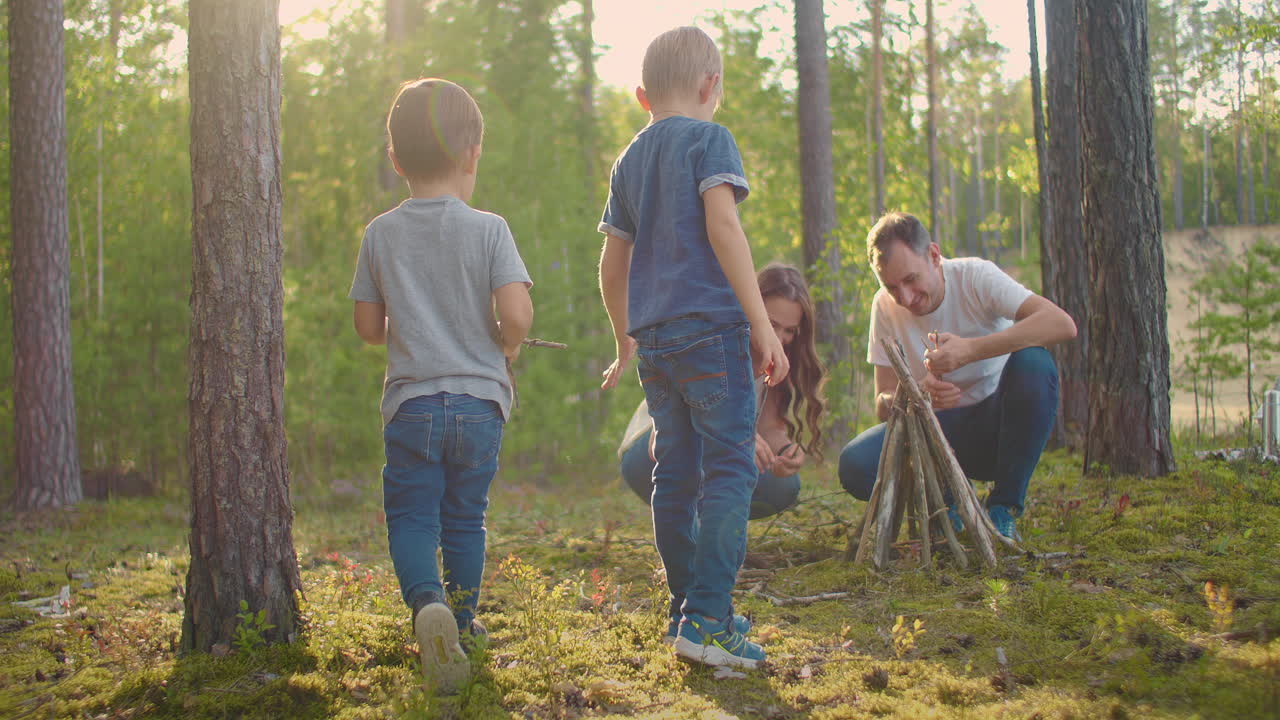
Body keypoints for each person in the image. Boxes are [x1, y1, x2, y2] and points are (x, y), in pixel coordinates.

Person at [596, 26, 789, 669]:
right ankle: (707, 620)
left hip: (656, 342)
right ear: (712, 87)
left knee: (671, 477)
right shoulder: (711, 140)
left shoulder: (629, 160)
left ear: (642, 96)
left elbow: (612, 260)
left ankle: (691, 611)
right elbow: (723, 225)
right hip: (713, 329)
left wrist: (624, 336)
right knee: (731, 471)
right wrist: (761, 322)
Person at [349, 78, 533, 693]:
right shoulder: (490, 229)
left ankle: (426, 604)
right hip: (481, 404)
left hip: (412, 405)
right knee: (465, 517)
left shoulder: (380, 233)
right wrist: (506, 344)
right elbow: (519, 316)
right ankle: (463, 620)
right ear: (472, 153)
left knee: (411, 515)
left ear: (396, 159)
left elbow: (368, 328)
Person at [838, 211, 1076, 541]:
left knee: (1034, 363)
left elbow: (1060, 324)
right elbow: (882, 402)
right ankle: (943, 503)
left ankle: (1003, 506)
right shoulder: (884, 307)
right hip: (935, 435)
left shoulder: (975, 277)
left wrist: (971, 350)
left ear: (934, 256)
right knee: (855, 465)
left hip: (999, 428)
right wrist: (915, 395)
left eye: (911, 280)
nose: (905, 298)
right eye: (892, 287)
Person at [618, 264, 827, 524]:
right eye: (771, 323)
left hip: (716, 452)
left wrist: (785, 448)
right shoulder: (713, 341)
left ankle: (715, 538)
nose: (779, 337)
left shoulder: (779, 361)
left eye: (789, 331)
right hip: (650, 446)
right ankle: (686, 538)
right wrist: (739, 437)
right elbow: (679, 422)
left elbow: (769, 426)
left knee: (781, 485)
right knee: (718, 451)